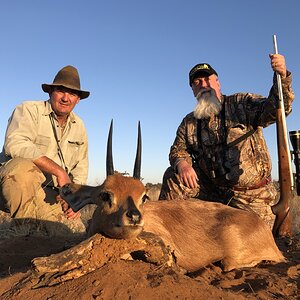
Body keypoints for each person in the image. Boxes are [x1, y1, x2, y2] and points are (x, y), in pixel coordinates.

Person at [159, 54, 294, 228]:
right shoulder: (189, 122)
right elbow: (178, 149)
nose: (203, 85)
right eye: (197, 83)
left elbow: (276, 108)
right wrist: (182, 164)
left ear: (218, 83)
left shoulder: (241, 103)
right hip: (213, 191)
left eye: (207, 79)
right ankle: (162, 232)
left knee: (249, 245)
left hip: (251, 196)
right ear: (193, 90)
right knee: (174, 176)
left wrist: (282, 77)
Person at [0, 65, 90, 234]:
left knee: (74, 233)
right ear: (50, 92)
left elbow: (81, 168)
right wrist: (59, 171)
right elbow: (14, 144)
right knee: (21, 169)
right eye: (60, 90)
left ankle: (34, 229)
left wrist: (76, 200)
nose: (65, 98)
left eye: (72, 93)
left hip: (49, 194)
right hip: (11, 185)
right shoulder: (28, 109)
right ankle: (23, 233)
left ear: (78, 99)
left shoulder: (80, 125)